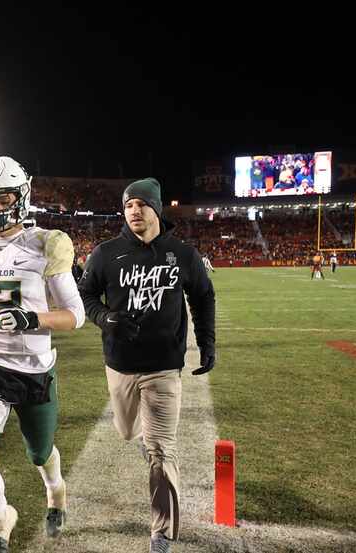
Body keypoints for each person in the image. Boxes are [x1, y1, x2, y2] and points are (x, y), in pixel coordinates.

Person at [0, 156, 85, 553]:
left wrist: (31, 319)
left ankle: (55, 490)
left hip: (32, 370)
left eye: (2, 197)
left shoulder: (47, 244)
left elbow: (75, 315)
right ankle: (1, 515)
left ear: (22, 196)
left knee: (39, 451)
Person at [77, 178, 216, 553]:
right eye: (128, 205)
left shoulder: (182, 254)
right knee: (127, 431)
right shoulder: (105, 254)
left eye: (141, 204)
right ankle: (146, 440)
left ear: (156, 208)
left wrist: (206, 343)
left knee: (161, 450)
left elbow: (203, 297)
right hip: (120, 364)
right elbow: (86, 294)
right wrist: (105, 318)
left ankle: (161, 534)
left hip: (164, 367)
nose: (134, 211)